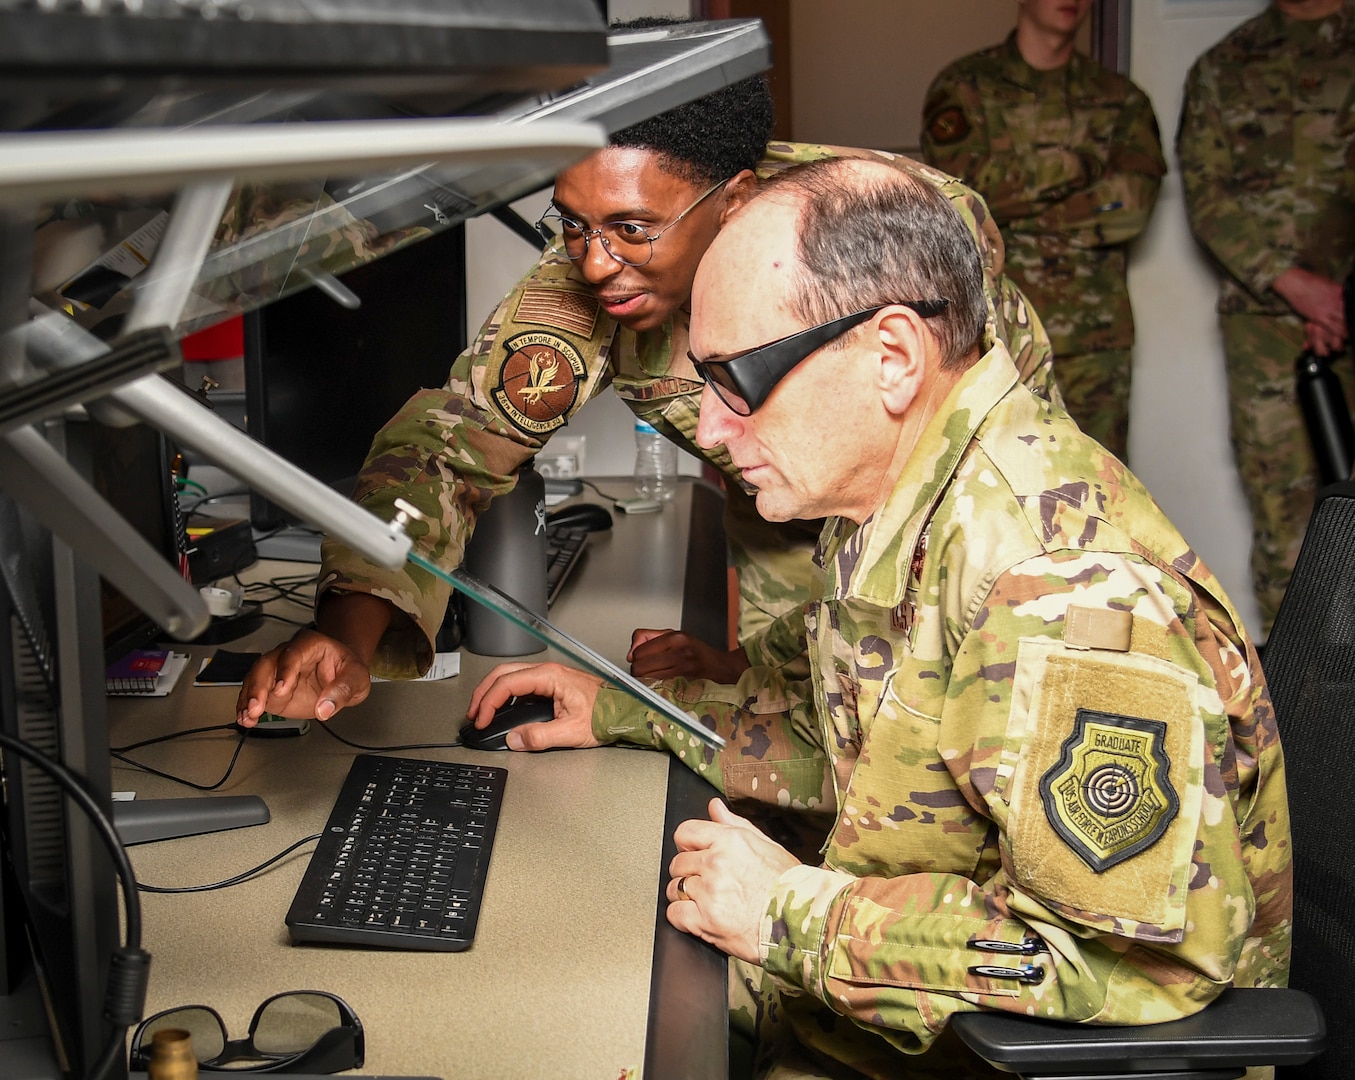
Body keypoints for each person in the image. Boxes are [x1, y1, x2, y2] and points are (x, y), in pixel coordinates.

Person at [463, 157, 1291, 1079]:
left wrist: (789, 914)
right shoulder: (896, 497)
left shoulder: (1055, 590)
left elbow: (1135, 966)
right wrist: (623, 709)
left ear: (891, 357)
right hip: (895, 997)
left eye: (736, 381)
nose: (713, 429)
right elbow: (862, 761)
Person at [236, 72, 1059, 725]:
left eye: (632, 228)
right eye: (571, 225)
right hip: (784, 527)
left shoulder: (895, 242)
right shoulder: (592, 282)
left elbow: (976, 495)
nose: (594, 263)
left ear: (733, 202)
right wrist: (346, 629)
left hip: (946, 526)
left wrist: (816, 693)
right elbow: (445, 448)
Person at [921, 0, 1165, 461]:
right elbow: (961, 198)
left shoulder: (1121, 99)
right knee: (993, 488)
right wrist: (1079, 165)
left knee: (1098, 493)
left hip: (1093, 341)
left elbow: (1129, 208)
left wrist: (1018, 215)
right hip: (992, 334)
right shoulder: (964, 87)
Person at [1177, 0, 1354, 634]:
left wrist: (1343, 296)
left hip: (1343, 304)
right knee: (1291, 526)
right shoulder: (1225, 65)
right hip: (1267, 330)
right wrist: (1299, 288)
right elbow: (1208, 199)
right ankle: (1309, 710)